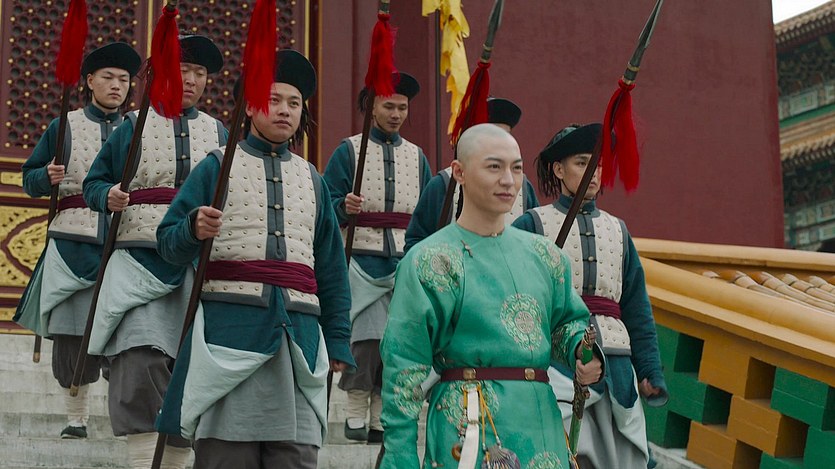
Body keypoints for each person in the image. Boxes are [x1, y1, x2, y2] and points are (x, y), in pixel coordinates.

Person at [154, 49, 354, 469]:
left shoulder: (313, 180)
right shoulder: (214, 168)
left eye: (294, 103)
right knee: (227, 458)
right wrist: (192, 228)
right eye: (273, 100)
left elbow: (332, 270)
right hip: (230, 336)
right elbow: (168, 244)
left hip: (299, 340)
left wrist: (337, 339)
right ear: (249, 107)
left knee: (296, 458)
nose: (284, 110)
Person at [379, 123, 603, 469]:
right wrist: (400, 454)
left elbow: (566, 324)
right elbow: (403, 367)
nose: (508, 180)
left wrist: (580, 350)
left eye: (516, 168)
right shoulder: (430, 260)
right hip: (469, 424)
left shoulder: (546, 256)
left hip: (540, 424)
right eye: (494, 167)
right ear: (459, 172)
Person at [81, 35, 227, 469]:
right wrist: (107, 195)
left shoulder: (220, 134)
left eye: (200, 73)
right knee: (139, 356)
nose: (192, 80)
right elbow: (93, 183)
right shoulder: (132, 126)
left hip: (198, 265)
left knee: (189, 366)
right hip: (138, 259)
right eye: (184, 70)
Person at [512, 123, 668, 469]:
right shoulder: (530, 226)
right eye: (582, 163)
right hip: (557, 369)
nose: (593, 173)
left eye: (598, 165)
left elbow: (636, 308)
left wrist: (649, 371)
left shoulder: (618, 231)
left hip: (617, 370)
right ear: (558, 169)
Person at [14, 42, 141, 440]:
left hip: (126, 240)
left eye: (124, 80)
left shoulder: (140, 128)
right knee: (73, 331)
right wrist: (45, 176)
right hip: (74, 241)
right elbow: (29, 179)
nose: (116, 86)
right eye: (108, 78)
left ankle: (127, 417)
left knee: (127, 330)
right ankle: (77, 417)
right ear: (89, 81)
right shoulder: (63, 127)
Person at [322, 72, 431, 444]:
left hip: (403, 264)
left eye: (402, 107)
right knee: (367, 340)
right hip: (360, 261)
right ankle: (355, 407)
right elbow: (324, 207)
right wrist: (343, 206)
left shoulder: (417, 157)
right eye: (389, 106)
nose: (396, 114)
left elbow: (427, 215)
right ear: (371, 106)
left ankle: (380, 415)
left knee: (396, 344)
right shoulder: (348, 151)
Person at [403, 97, 539, 252]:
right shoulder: (442, 184)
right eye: (491, 136)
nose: (508, 181)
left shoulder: (523, 187)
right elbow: (417, 241)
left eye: (504, 136)